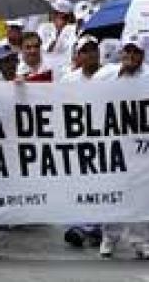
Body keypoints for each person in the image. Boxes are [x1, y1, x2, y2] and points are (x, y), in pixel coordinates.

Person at [95, 35, 149, 260]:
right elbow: (83, 97)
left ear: (143, 55)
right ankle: (109, 237)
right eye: (128, 51)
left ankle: (142, 241)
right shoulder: (106, 75)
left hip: (144, 145)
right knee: (114, 190)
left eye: (136, 52)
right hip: (114, 143)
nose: (131, 56)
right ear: (121, 52)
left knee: (143, 193)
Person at [61, 35, 102, 248]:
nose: (90, 54)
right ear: (78, 56)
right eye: (85, 51)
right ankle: (78, 226)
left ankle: (98, 227)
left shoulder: (110, 76)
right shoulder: (69, 80)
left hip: (104, 138)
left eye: (93, 50)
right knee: (78, 182)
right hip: (78, 139)